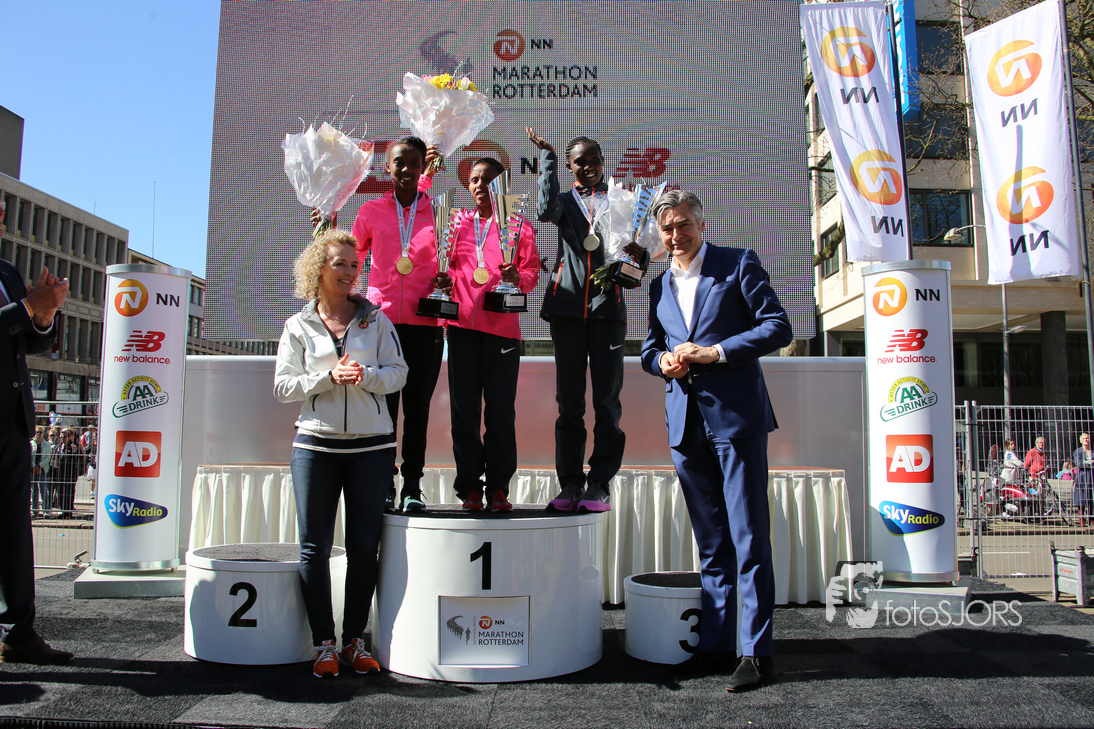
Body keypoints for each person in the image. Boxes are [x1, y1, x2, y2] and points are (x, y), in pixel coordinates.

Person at [639, 190, 792, 692]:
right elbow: (649, 348)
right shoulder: (659, 284)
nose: (676, 235)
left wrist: (716, 353)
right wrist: (662, 361)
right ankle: (716, 645)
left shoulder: (737, 263)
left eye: (683, 224)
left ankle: (756, 652)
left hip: (736, 419)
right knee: (711, 543)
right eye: (667, 228)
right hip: (684, 424)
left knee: (749, 538)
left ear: (701, 225)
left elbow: (777, 327)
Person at [274, 230, 408, 678]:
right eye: (341, 264)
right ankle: (324, 644)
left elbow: (399, 374)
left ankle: (354, 641)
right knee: (313, 549)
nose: (351, 272)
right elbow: (283, 387)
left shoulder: (376, 320)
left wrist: (365, 375)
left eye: (355, 265)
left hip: (373, 448)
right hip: (315, 446)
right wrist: (327, 378)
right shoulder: (297, 326)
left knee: (364, 549)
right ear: (318, 268)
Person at [526, 127, 629, 512]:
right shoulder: (565, 202)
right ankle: (570, 483)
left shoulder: (619, 200)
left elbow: (636, 247)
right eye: (579, 162)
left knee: (606, 402)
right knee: (569, 402)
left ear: (603, 162)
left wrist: (632, 268)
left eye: (593, 160)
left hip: (607, 310)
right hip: (567, 309)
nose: (588, 167)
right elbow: (543, 210)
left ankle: (599, 482)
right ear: (570, 167)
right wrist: (548, 160)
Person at [347, 136, 443, 513]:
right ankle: (384, 483)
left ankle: (413, 486)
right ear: (387, 167)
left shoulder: (439, 211)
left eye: (413, 162)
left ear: (423, 167)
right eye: (399, 162)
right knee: (382, 409)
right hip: (380, 324)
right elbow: (352, 259)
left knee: (417, 410)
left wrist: (447, 281)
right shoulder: (371, 210)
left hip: (426, 323)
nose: (406, 169)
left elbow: (452, 260)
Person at [441, 157, 539, 512]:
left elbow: (531, 273)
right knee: (464, 411)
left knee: (499, 411)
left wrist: (517, 278)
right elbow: (443, 266)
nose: (480, 186)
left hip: (502, 332)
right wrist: (443, 281)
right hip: (462, 329)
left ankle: (498, 487)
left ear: (503, 184)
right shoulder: (455, 224)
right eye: (474, 180)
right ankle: (469, 487)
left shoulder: (518, 225)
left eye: (488, 179)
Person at [0, 245, 73, 664]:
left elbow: (27, 342)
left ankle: (18, 633)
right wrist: (28, 307)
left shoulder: (6, 272)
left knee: (13, 532)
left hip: (12, 421)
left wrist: (43, 316)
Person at [50, 428, 85, 518]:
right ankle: (61, 511)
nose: (62, 438)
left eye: (64, 437)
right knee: (60, 492)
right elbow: (54, 459)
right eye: (61, 437)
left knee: (69, 492)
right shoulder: (59, 446)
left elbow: (80, 459)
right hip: (59, 473)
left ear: (70, 437)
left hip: (70, 474)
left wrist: (76, 451)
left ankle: (68, 512)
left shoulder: (74, 446)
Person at [30, 426, 52, 517]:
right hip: (32, 470)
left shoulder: (47, 444)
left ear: (43, 434)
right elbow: (28, 456)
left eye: (40, 432)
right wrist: (34, 466)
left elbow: (48, 457)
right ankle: (35, 511)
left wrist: (39, 466)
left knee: (44, 490)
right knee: (34, 491)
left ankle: (46, 510)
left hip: (42, 469)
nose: (39, 434)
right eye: (37, 432)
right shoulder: (31, 444)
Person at [1072, 433, 1093, 527]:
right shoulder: (1078, 451)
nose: (1086, 440)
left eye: (1087, 438)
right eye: (1084, 438)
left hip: (1092, 477)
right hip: (1082, 477)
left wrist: (1086, 463)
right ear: (1081, 440)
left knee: (1091, 497)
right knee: (1081, 497)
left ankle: (1091, 518)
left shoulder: (1092, 451)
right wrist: (1091, 463)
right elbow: (1079, 464)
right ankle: (1081, 518)